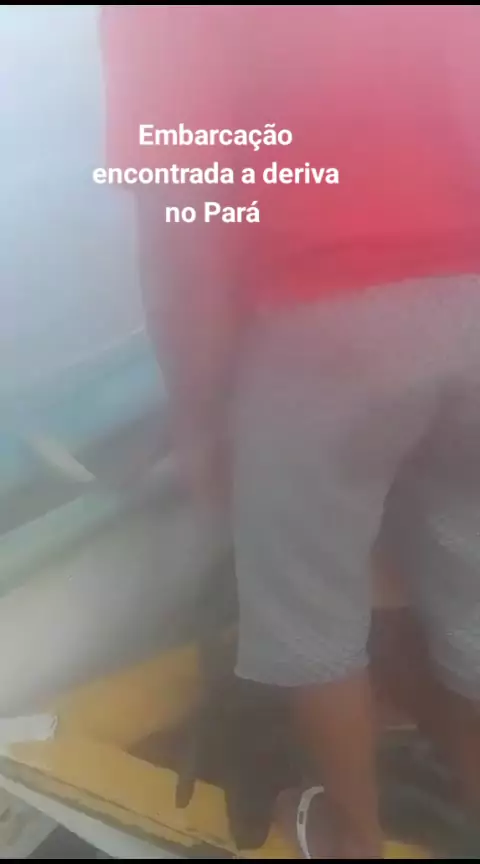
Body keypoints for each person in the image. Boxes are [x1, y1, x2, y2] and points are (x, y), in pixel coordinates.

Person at [100, 5, 480, 857]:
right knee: (470, 592)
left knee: (309, 607)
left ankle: (350, 834)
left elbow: (186, 225)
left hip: (323, 325)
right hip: (472, 298)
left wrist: (199, 417)